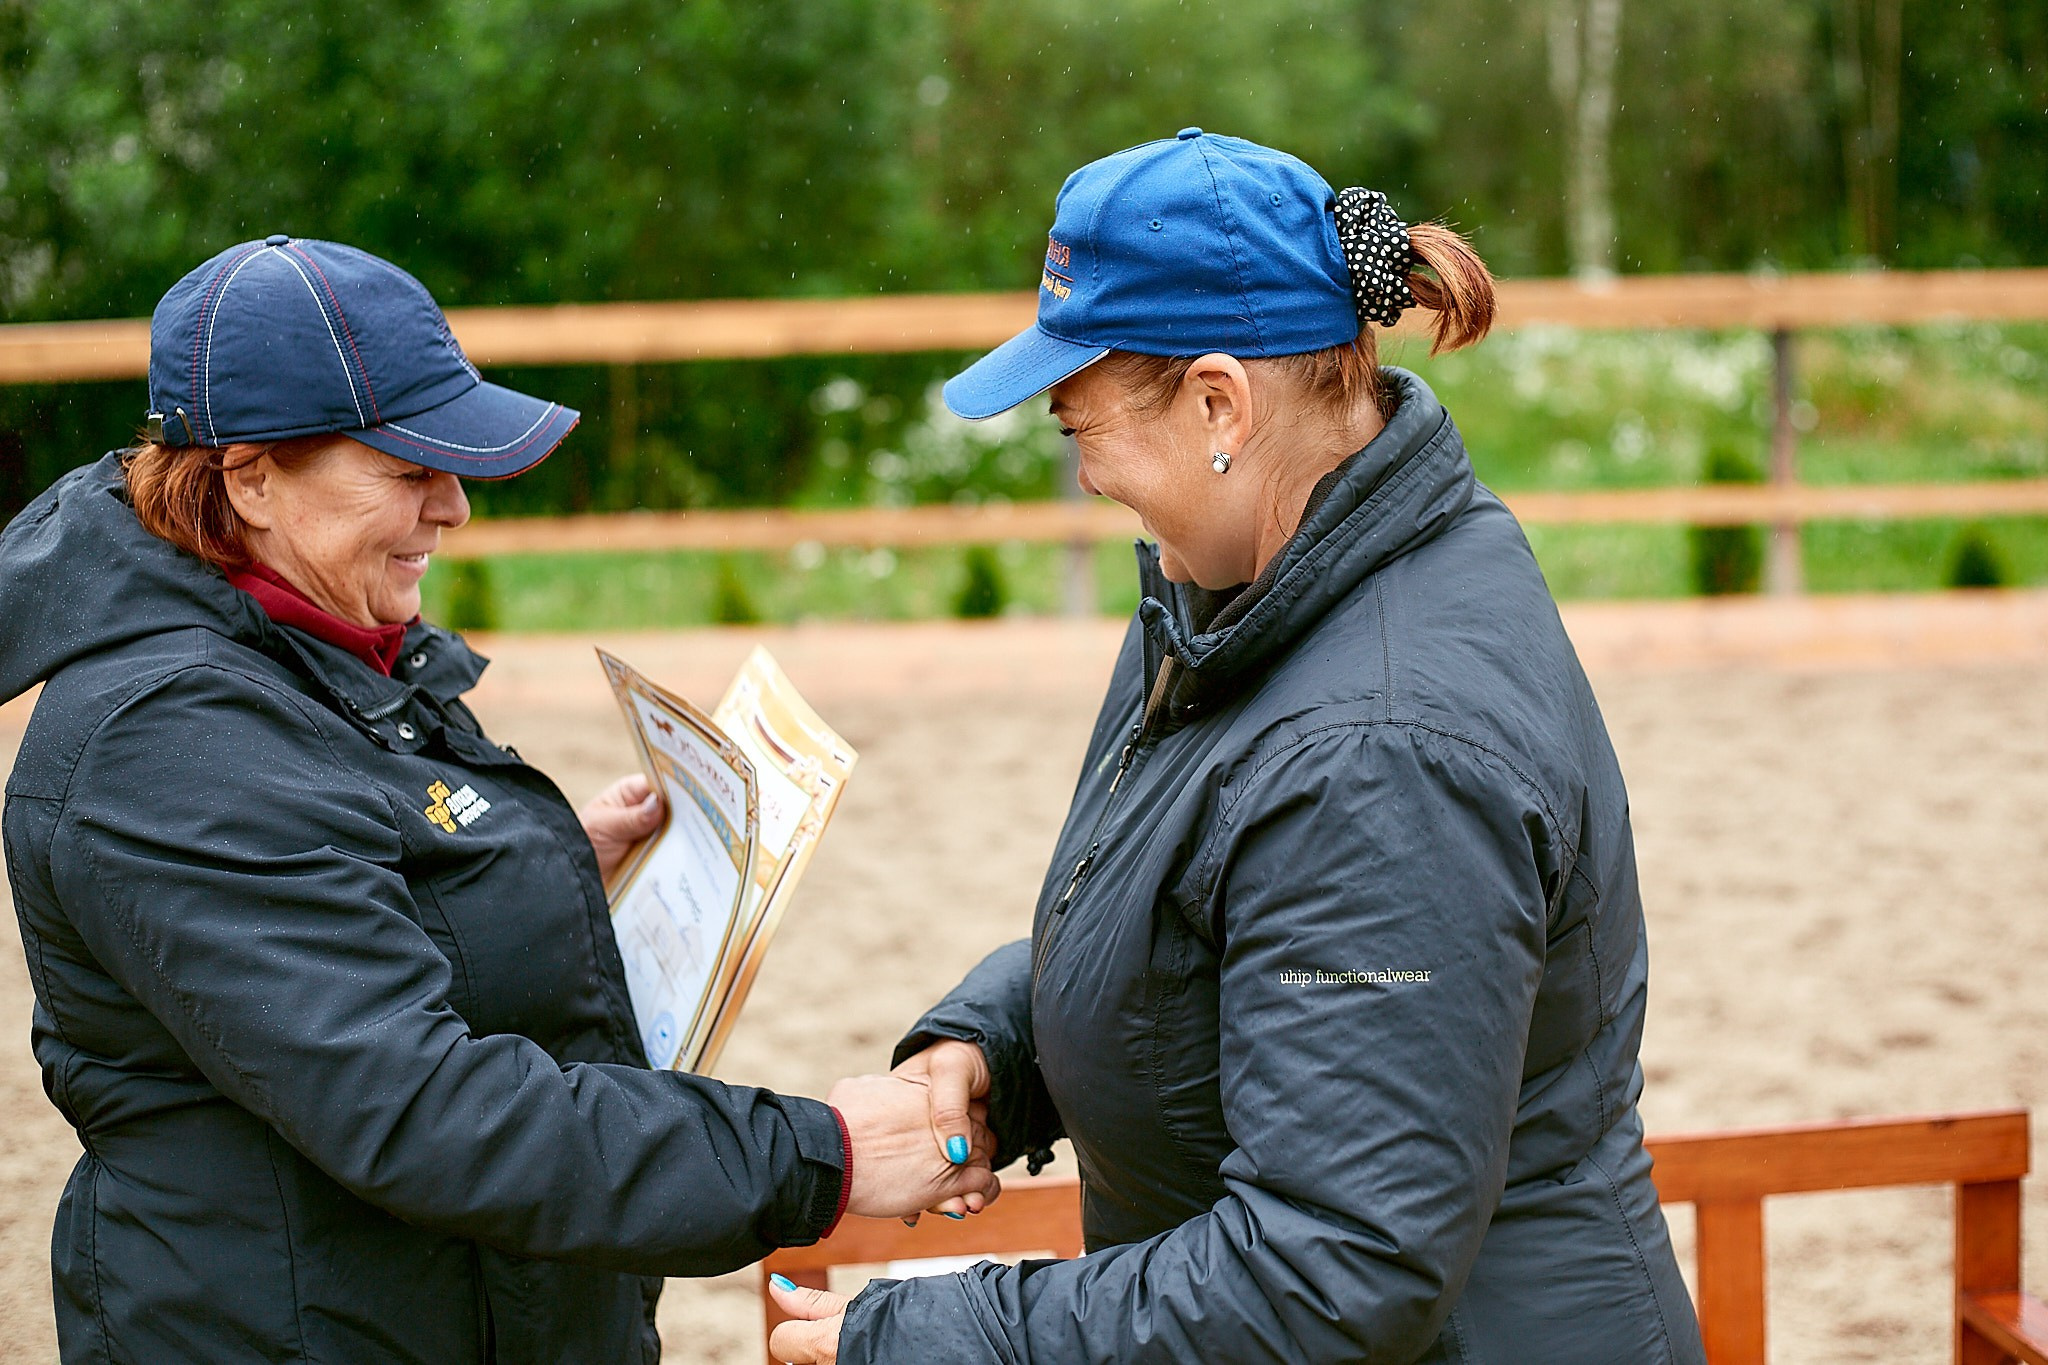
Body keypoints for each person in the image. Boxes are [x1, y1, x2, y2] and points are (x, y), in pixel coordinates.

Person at [769, 131, 1708, 1363]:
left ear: (1219, 403)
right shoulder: (1245, 592)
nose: (1084, 474)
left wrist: (941, 1336)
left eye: (1079, 424)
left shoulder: (1377, 755)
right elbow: (1216, 918)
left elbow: (1335, 1267)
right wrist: (1000, 1042)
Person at [0, 236, 997, 1365]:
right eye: (406, 469)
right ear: (251, 478)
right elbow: (423, 1109)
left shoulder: (317, 639)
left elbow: (358, 866)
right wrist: (823, 1155)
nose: (454, 506)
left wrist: (526, 870)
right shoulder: (167, 743)